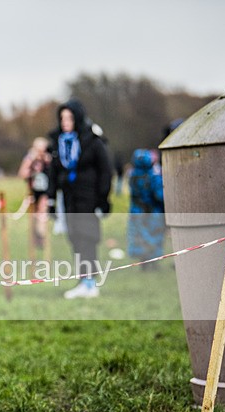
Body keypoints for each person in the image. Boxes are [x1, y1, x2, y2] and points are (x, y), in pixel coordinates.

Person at [46, 98, 112, 299]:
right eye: (62, 117)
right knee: (75, 239)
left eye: (69, 117)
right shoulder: (58, 143)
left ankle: (91, 283)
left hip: (88, 199)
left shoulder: (92, 141)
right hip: (69, 199)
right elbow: (53, 174)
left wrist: (102, 199)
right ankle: (83, 281)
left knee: (87, 239)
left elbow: (105, 171)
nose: (65, 121)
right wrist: (51, 200)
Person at [127, 148, 165, 268]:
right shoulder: (153, 177)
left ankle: (143, 262)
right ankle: (152, 263)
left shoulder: (133, 177)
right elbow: (160, 195)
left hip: (137, 211)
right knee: (153, 236)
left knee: (140, 237)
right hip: (152, 212)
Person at [17, 137, 52, 251]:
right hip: (33, 192)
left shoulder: (49, 159)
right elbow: (22, 174)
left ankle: (42, 236)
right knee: (34, 215)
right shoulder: (30, 159)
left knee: (42, 211)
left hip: (45, 192)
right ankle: (36, 239)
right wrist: (30, 160)